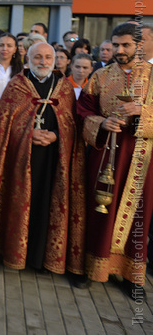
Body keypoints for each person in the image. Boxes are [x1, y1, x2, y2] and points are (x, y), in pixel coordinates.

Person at [0, 42, 85, 275]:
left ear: (54, 60)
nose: (43, 62)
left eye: (48, 57)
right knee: (19, 205)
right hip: (19, 160)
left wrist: (56, 134)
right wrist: (28, 133)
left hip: (53, 160)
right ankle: (13, 254)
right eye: (38, 57)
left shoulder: (64, 88)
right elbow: (3, 123)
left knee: (47, 205)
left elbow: (72, 124)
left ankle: (41, 259)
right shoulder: (17, 85)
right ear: (28, 59)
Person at [75, 22, 153, 299]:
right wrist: (101, 122)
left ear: (138, 46)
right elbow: (83, 111)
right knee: (99, 210)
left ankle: (132, 276)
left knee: (139, 215)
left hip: (141, 159)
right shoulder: (100, 76)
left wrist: (142, 111)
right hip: (105, 155)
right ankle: (93, 267)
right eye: (116, 45)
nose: (120, 50)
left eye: (126, 45)